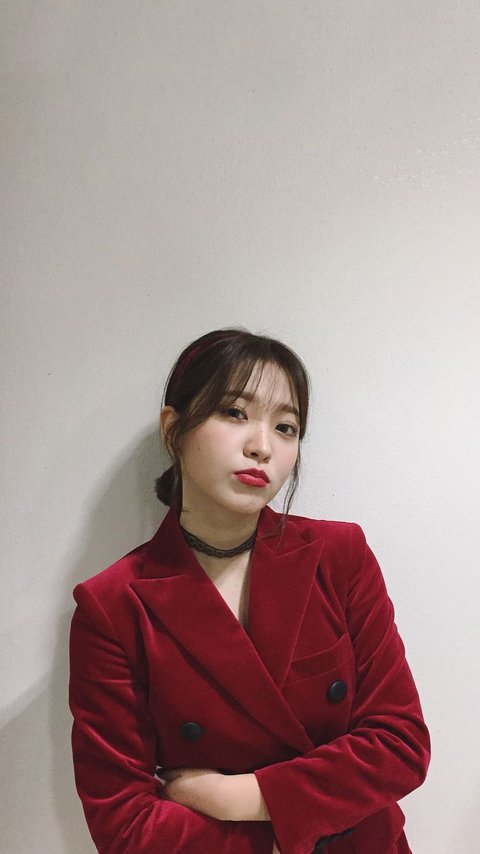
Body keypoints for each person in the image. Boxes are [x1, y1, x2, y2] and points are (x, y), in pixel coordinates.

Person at [69, 328, 430, 854]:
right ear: (173, 429)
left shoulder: (339, 556)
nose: (262, 445)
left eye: (286, 427)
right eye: (234, 413)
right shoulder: (113, 606)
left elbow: (401, 744)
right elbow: (123, 824)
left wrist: (238, 797)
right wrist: (291, 829)